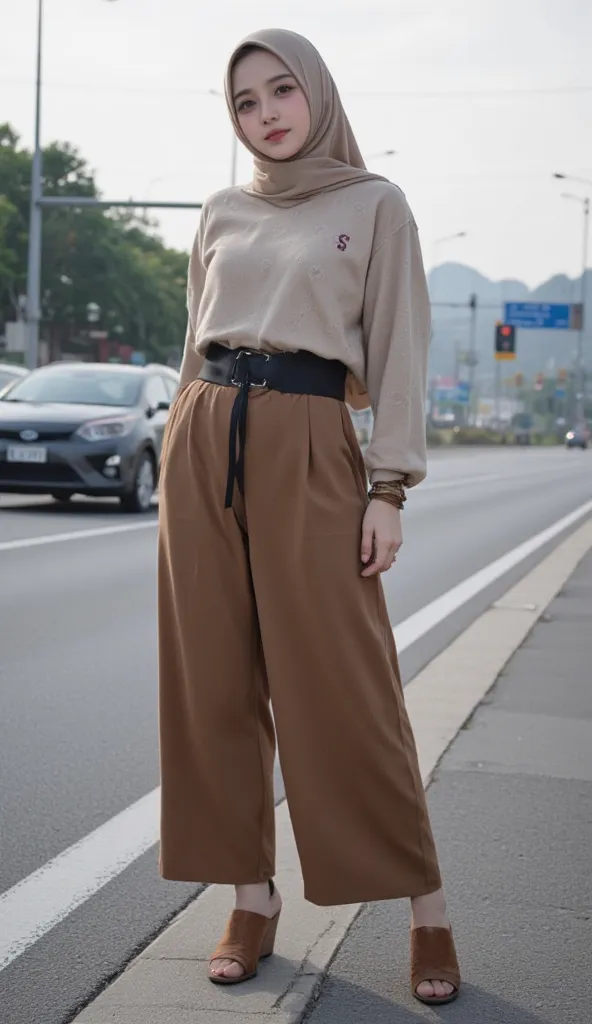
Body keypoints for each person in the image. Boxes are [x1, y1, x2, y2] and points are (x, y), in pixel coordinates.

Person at [157, 27, 461, 1007]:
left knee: (344, 691)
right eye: (244, 102)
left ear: (315, 91)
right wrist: (175, 457)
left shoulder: (374, 205)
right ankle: (250, 897)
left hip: (312, 440)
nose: (266, 114)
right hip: (202, 435)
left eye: (281, 90)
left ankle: (427, 907)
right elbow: (190, 341)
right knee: (210, 684)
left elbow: (402, 355)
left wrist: (389, 488)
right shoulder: (219, 209)